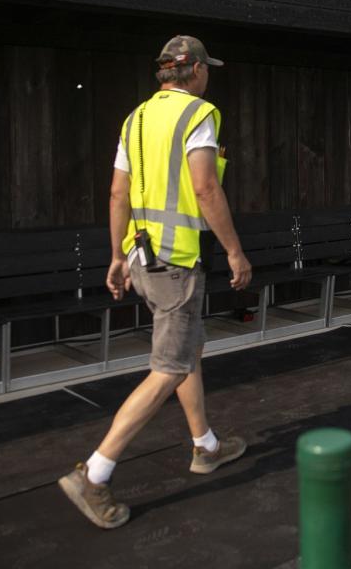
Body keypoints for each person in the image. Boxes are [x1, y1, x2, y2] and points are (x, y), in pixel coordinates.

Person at [58, 35, 253, 529]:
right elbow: (206, 187)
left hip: (142, 258)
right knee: (168, 367)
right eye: (208, 68)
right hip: (176, 263)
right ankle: (95, 473)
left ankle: (205, 446)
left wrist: (117, 255)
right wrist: (234, 251)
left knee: (189, 350)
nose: (210, 75)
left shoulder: (136, 118)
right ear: (197, 72)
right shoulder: (199, 116)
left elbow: (117, 192)